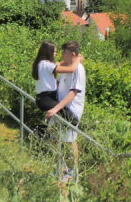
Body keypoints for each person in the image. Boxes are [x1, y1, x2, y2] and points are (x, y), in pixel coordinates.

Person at [45, 41, 86, 170]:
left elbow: (74, 92)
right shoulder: (68, 66)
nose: (62, 55)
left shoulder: (78, 69)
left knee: (69, 141)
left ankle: (73, 172)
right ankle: (60, 168)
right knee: (53, 136)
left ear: (72, 54)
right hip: (59, 108)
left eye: (64, 52)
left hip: (70, 110)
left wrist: (55, 108)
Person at [31, 41, 83, 112]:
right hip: (47, 98)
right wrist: (77, 59)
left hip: (42, 98)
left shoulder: (42, 63)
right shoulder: (47, 65)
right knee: (67, 115)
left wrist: (73, 57)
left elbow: (60, 64)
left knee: (58, 115)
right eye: (54, 51)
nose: (56, 53)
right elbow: (71, 69)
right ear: (49, 52)